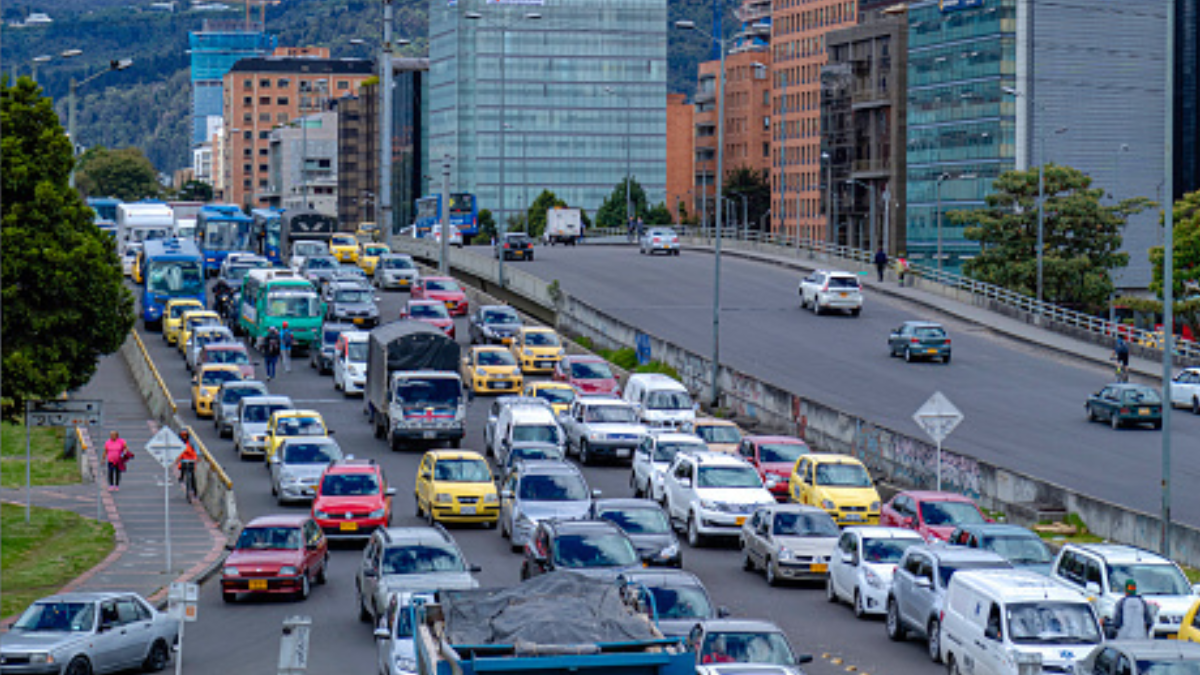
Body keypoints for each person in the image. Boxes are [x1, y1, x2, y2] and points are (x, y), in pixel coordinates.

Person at [176, 429, 199, 503]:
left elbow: (197, 450)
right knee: (182, 468)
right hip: (183, 460)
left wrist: (198, 456)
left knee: (192, 475)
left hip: (191, 460)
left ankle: (195, 491)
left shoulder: (191, 442)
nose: (184, 437)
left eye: (185, 435)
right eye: (183, 436)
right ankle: (182, 477)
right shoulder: (179, 442)